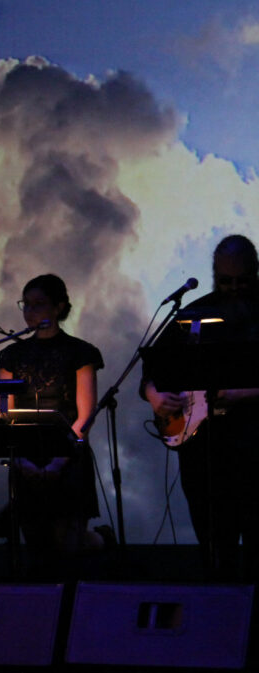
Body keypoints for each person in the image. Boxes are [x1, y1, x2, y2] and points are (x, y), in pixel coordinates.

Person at [142, 234, 259, 580]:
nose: (233, 288)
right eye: (225, 281)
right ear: (213, 274)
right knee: (212, 537)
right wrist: (155, 396)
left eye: (242, 281)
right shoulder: (193, 314)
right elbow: (151, 370)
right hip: (204, 447)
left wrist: (239, 395)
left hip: (254, 443)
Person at [0, 274, 104, 566]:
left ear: (59, 307)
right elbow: (6, 413)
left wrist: (58, 462)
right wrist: (21, 461)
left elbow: (85, 415)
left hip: (68, 458)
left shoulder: (81, 352)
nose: (30, 311)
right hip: (26, 458)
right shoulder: (11, 354)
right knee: (37, 549)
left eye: (38, 304)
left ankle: (99, 543)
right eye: (26, 304)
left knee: (67, 547)